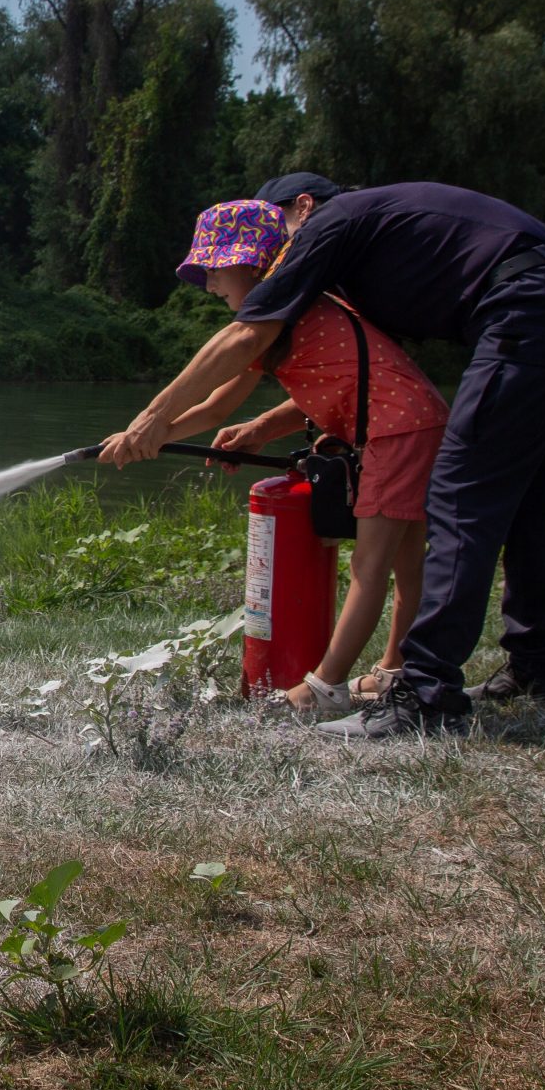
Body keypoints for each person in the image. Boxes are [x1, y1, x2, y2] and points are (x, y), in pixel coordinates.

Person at [98, 174, 545, 740]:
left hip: (530, 306)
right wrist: (261, 428)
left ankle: (423, 694)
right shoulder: (367, 255)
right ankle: (535, 665)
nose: (282, 252)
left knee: (460, 500)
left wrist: (151, 419)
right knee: (529, 498)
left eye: (279, 233)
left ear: (302, 209)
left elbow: (247, 336)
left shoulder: (332, 222)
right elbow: (350, 376)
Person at [161, 200, 450, 716]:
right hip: (415, 420)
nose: (209, 283)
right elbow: (220, 407)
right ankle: (394, 669)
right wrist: (152, 436)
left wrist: (150, 428)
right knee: (406, 563)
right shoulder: (291, 313)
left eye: (215, 267)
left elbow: (215, 404)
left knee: (371, 565)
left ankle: (325, 687)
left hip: (398, 429)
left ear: (253, 263)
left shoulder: (282, 315)